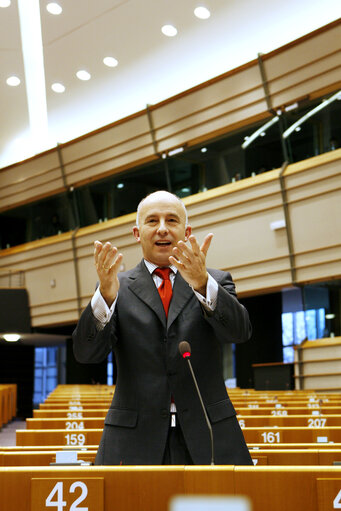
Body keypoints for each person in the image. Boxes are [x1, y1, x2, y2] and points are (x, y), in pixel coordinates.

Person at [73, 190, 252, 465]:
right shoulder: (114, 286)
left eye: (172, 220)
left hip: (209, 433)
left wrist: (202, 283)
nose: (162, 229)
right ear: (137, 232)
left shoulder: (215, 280)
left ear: (186, 230)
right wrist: (106, 297)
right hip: (134, 437)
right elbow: (86, 354)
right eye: (152, 221)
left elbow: (239, 333)